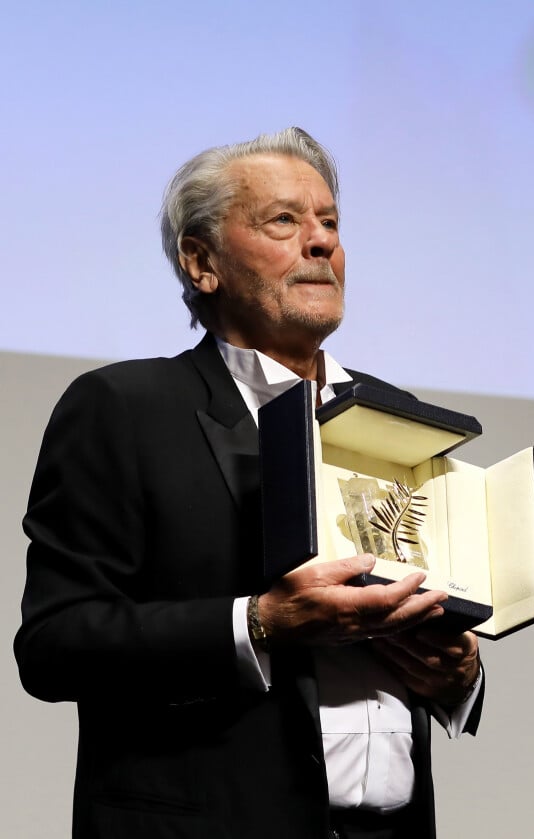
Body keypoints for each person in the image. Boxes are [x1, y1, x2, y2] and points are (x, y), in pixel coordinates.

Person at [15, 127, 482, 839]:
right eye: (285, 220)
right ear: (201, 263)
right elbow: (55, 644)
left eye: (330, 222)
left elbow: (430, 653)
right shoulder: (124, 406)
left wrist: (458, 675)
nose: (321, 242)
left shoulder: (397, 422)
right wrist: (259, 624)